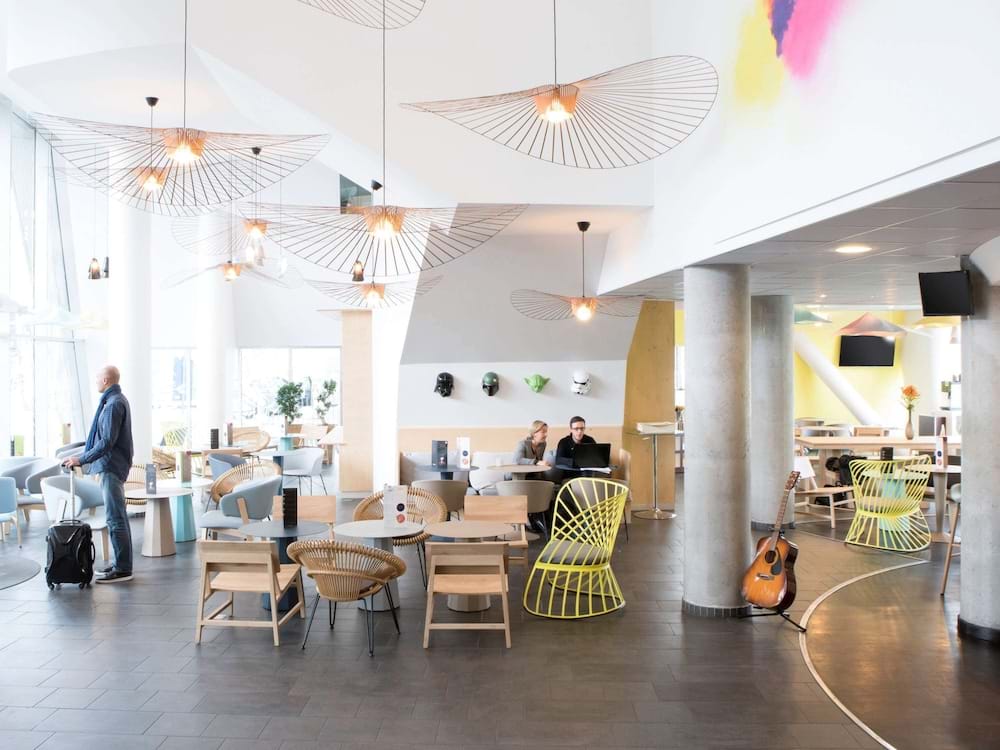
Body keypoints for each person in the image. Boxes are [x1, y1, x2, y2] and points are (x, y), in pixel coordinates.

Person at [62, 366, 134, 584]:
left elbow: (106, 442)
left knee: (115, 518)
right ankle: (121, 564)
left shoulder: (113, 405)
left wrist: (81, 459)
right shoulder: (115, 400)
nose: (95, 382)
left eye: (97, 378)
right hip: (112, 465)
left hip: (111, 466)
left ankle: (123, 569)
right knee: (118, 517)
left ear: (105, 380)